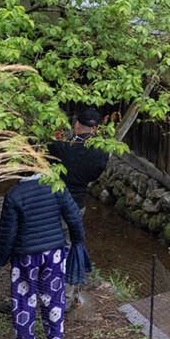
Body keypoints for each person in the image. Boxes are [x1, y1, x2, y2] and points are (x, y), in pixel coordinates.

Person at [0, 174, 84, 339]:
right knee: (53, 295)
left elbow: (7, 232)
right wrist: (78, 241)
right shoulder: (55, 185)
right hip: (54, 253)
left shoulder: (14, 194)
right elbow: (73, 217)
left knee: (24, 298)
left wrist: (1, 258)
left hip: (24, 256)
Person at [48, 108, 106, 306]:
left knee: (47, 245)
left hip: (54, 202)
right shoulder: (101, 154)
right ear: (96, 129)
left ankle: (43, 290)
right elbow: (94, 175)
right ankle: (66, 295)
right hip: (77, 204)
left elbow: (46, 153)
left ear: (76, 124)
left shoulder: (62, 148)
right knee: (70, 246)